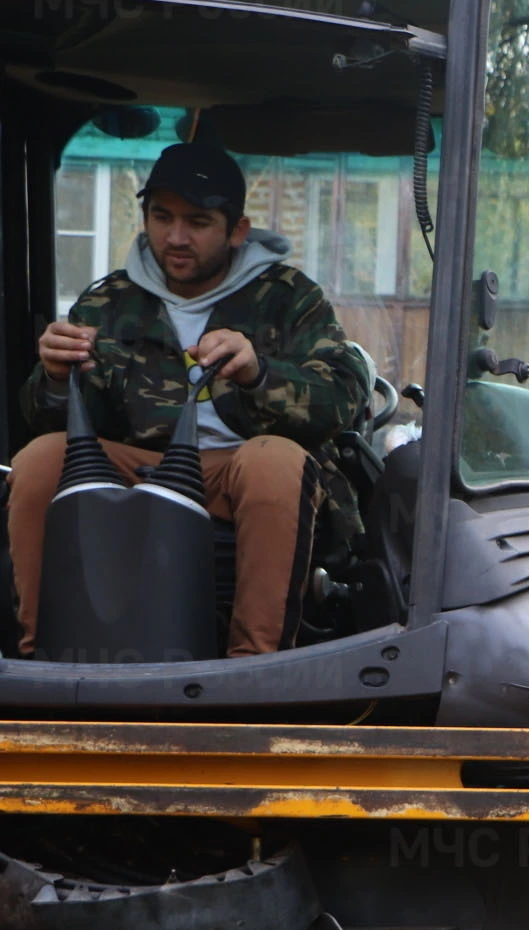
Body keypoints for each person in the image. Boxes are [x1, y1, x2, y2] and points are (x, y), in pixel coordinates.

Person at [11, 141, 369, 657]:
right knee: (40, 460)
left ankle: (252, 667)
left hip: (239, 471)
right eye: (162, 217)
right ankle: (39, 657)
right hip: (137, 468)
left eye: (197, 222)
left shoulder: (290, 298)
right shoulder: (107, 301)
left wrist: (258, 374)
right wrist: (51, 377)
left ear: (237, 230)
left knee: (276, 461)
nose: (175, 238)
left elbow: (343, 398)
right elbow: (50, 421)